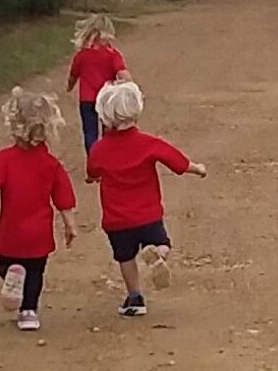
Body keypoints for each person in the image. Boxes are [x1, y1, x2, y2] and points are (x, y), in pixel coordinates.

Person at [84, 78, 205, 317]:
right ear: (136, 111)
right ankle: (158, 254)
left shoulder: (99, 149)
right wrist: (196, 167)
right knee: (162, 242)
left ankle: (135, 297)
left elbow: (92, 171)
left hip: (117, 219)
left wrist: (92, 178)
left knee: (125, 257)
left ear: (104, 117)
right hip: (148, 215)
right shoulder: (148, 143)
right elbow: (176, 161)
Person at [0, 87, 77, 331]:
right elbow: (64, 196)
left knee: (5, 265)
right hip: (39, 233)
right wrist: (70, 224)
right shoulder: (51, 164)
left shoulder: (6, 158)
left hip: (12, 231)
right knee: (36, 272)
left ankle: (11, 274)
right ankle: (29, 311)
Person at [65, 14, 130, 159]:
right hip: (107, 99)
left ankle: (93, 163)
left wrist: (69, 87)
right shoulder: (113, 54)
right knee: (109, 132)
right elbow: (123, 73)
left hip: (87, 99)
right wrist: (130, 88)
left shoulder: (82, 55)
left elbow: (73, 75)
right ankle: (108, 160)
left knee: (90, 132)